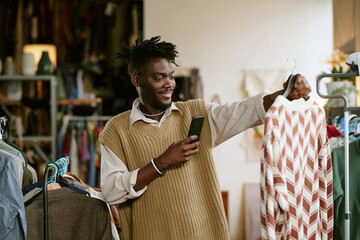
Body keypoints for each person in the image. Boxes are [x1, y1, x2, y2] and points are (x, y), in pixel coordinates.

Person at [99, 36, 311, 240]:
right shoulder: (116, 131)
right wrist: (161, 162)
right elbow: (110, 192)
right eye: (158, 77)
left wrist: (284, 94)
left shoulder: (197, 113)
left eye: (171, 76)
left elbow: (244, 110)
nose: (168, 84)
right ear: (136, 79)